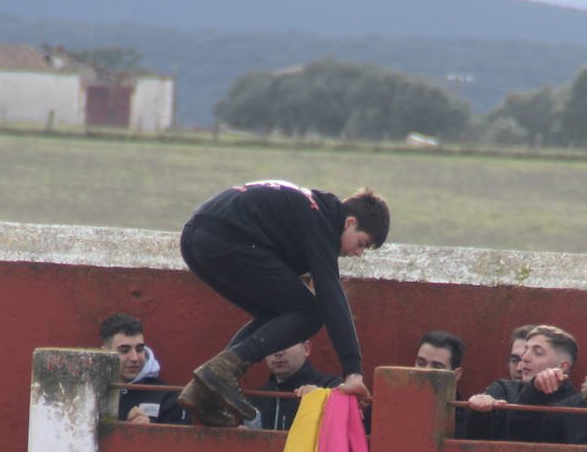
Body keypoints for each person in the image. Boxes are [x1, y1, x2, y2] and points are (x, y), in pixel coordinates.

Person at [176, 180, 388, 426]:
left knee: (279, 314)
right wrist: (353, 371)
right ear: (350, 223)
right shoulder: (322, 223)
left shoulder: (315, 210)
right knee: (310, 314)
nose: (359, 253)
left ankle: (203, 392)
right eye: (362, 243)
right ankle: (221, 371)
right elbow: (331, 295)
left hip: (196, 239)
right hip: (228, 238)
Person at [465, 325, 583, 442]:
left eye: (537, 352)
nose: (524, 358)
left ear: (562, 366)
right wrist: (480, 411)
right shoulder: (503, 389)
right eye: (526, 350)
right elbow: (471, 436)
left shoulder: (576, 405)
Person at [98, 313, 185, 424]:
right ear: (106, 353)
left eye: (139, 349)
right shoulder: (91, 392)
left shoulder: (167, 396)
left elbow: (181, 440)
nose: (135, 358)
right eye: (124, 350)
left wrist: (148, 432)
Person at [249, 340, 342, 431]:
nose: (278, 352)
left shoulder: (332, 387)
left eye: (287, 343)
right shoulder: (255, 399)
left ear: (306, 348)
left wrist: (322, 399)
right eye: (271, 344)